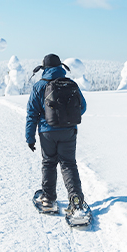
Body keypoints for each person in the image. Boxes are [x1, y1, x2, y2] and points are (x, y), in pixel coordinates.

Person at [26, 54, 87, 214]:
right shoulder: (71, 84)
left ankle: (48, 198)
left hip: (47, 133)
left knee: (49, 163)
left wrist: (30, 137)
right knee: (68, 165)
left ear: (44, 68)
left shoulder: (39, 86)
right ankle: (76, 200)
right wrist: (67, 118)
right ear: (60, 66)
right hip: (69, 132)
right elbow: (83, 107)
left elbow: (32, 113)